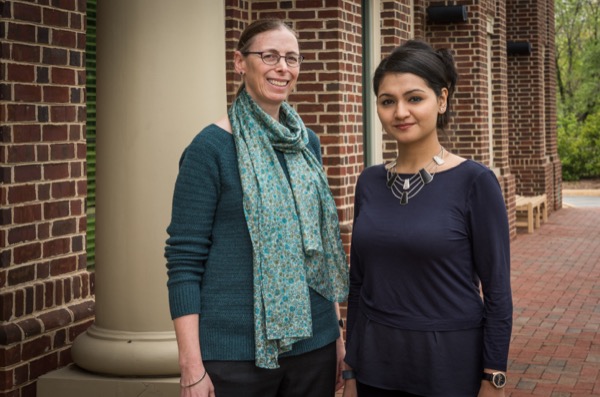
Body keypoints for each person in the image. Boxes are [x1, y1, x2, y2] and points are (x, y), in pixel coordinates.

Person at [164, 19, 349, 397]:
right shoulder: (209, 149)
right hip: (234, 357)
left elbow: (319, 252)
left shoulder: (306, 144)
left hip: (316, 346)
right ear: (239, 62)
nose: (283, 67)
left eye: (292, 58)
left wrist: (337, 335)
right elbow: (184, 260)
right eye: (269, 56)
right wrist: (190, 366)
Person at [342, 40, 513, 397]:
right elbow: (358, 284)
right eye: (388, 101)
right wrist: (350, 370)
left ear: (443, 100)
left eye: (414, 98)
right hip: (375, 369)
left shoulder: (475, 182)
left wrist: (494, 375)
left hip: (449, 370)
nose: (400, 111)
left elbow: (496, 291)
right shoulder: (369, 183)